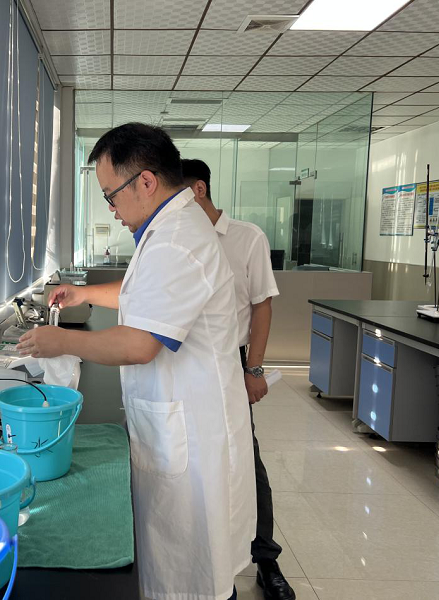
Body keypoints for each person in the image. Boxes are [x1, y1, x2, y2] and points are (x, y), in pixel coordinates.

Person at [17, 123, 255, 600]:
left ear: (145, 181)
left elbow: (141, 343)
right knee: (185, 568)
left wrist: (60, 342)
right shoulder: (170, 228)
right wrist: (84, 294)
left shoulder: (177, 239)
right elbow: (142, 294)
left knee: (195, 577)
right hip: (179, 420)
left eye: (111, 195)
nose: (112, 208)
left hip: (192, 434)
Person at [181, 159, 293, 600]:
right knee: (196, 455)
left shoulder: (248, 238)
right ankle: (206, 552)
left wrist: (254, 369)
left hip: (232, 358)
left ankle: (266, 559)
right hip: (187, 359)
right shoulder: (178, 239)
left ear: (199, 190)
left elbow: (262, 304)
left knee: (246, 456)